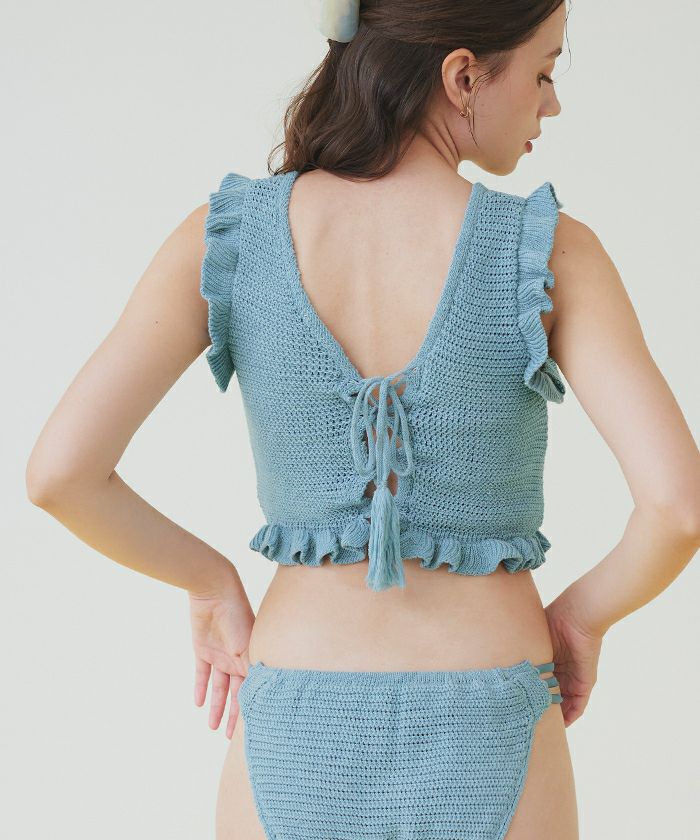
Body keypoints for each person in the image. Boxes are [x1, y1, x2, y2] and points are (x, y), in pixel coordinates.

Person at [25, 1, 700, 838]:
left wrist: (209, 581)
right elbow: (677, 507)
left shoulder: (229, 238)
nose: (550, 103)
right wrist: (579, 619)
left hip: (294, 723)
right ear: (463, 77)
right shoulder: (550, 249)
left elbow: (61, 473)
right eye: (543, 72)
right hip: (492, 715)